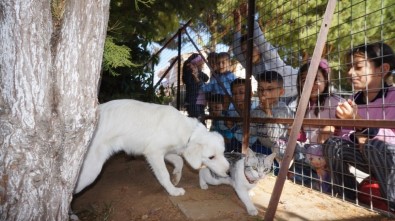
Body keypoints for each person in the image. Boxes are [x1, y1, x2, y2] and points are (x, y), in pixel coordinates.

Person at [323, 42, 395, 212]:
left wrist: (359, 123)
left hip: (388, 159)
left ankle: (392, 207)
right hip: (366, 154)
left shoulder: (393, 97)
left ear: (382, 69)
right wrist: (357, 133)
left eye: (358, 67)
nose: (349, 72)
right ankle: (348, 200)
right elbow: (343, 134)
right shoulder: (353, 99)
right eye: (349, 67)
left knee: (373, 146)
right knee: (332, 144)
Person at [288, 59, 341, 192]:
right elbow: (303, 134)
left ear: (326, 80)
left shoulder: (334, 101)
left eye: (315, 78)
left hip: (332, 152)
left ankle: (330, 186)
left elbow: (346, 128)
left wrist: (333, 128)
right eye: (304, 79)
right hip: (311, 151)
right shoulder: (302, 105)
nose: (310, 83)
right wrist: (295, 133)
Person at [232, 3, 298, 98]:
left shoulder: (269, 55)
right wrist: (237, 24)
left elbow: (260, 39)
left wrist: (248, 15)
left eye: (252, 48)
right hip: (280, 99)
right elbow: (237, 51)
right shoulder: (250, 66)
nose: (248, 53)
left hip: (299, 88)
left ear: (259, 48)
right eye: (244, 51)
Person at [249, 71, 293, 156]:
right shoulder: (256, 111)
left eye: (269, 89)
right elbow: (252, 132)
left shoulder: (283, 110)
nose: (264, 93)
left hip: (278, 150)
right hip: (261, 146)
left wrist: (267, 111)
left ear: (281, 92)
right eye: (261, 89)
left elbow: (274, 137)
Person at [182, 53, 209, 122]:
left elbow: (206, 78)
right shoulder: (188, 72)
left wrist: (198, 72)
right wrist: (191, 70)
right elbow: (187, 81)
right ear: (196, 63)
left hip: (201, 102)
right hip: (193, 102)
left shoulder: (199, 72)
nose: (202, 64)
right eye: (200, 62)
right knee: (196, 122)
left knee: (201, 121)